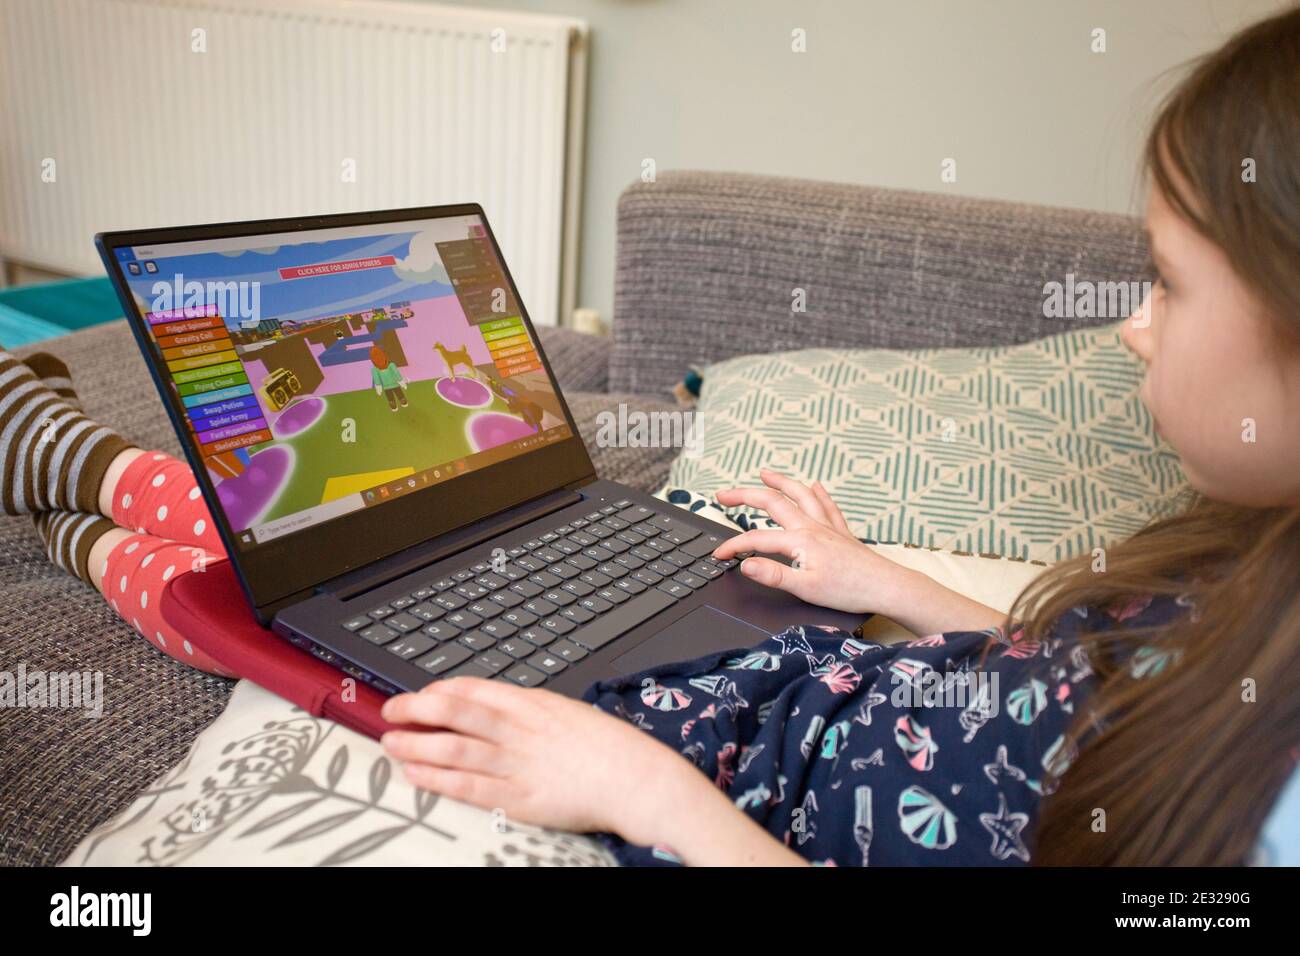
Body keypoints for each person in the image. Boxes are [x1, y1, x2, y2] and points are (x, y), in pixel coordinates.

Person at [2, 6, 1296, 866]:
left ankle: (67, 513)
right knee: (306, 539)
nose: (1129, 328)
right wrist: (887, 587)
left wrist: (647, 796)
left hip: (685, 750)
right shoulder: (1254, 606)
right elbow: (1098, 704)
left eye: (1171, 284)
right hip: (779, 681)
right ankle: (65, 456)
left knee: (264, 594)